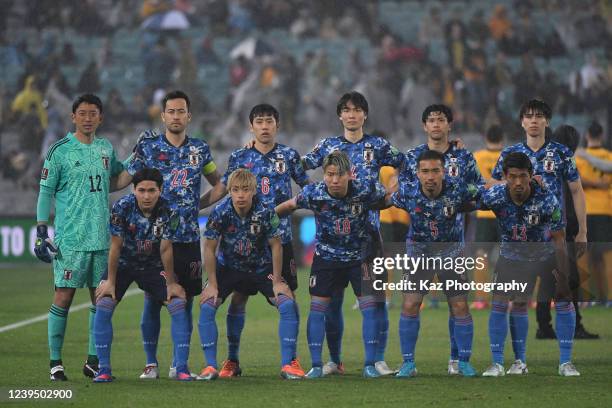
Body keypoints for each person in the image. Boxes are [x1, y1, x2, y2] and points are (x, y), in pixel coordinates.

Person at [122, 90, 225, 379]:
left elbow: (219, 185)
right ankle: (150, 363)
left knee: (186, 301)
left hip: (188, 238)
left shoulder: (200, 150)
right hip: (154, 239)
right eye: (171, 111)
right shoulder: (149, 147)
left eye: (181, 111)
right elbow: (127, 177)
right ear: (163, 115)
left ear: (188, 116)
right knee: (153, 299)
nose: (176, 116)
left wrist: (199, 204)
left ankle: (179, 365)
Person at [301, 91, 405, 376]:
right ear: (340, 116)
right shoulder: (328, 146)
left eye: (357, 110)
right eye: (346, 110)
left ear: (365, 115)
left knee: (376, 299)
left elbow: (406, 162)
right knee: (331, 303)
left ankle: (378, 358)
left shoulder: (378, 145)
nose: (351, 114)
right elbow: (300, 165)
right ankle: (334, 361)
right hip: (332, 239)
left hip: (369, 235)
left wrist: (395, 187)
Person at [201, 104, 310, 377]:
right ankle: (231, 361)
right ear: (251, 126)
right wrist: (194, 207)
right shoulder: (240, 156)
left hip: (278, 239)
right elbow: (224, 188)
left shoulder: (288, 155)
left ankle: (291, 360)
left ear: (277, 125)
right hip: (240, 243)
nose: (264, 126)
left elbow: (308, 187)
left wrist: (303, 204)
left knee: (287, 297)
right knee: (239, 297)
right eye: (259, 122)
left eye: (269, 121)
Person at [35, 94, 124, 381]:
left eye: (93, 113)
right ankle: (55, 363)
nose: (88, 118)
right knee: (63, 296)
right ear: (73, 117)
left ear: (100, 118)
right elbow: (45, 192)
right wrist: (40, 230)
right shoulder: (59, 151)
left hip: (101, 239)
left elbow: (117, 181)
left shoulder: (105, 148)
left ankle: (93, 360)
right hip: (71, 240)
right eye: (82, 113)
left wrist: (138, 157)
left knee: (100, 300)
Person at [276, 151, 387, 378]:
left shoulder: (366, 189)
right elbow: (289, 205)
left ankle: (369, 364)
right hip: (326, 258)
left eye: (339, 175)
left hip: (360, 256)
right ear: (324, 175)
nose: (334, 180)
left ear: (350, 174)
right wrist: (264, 218)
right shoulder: (314, 193)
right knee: (318, 309)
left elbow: (389, 198)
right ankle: (317, 365)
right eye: (329, 174)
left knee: (370, 307)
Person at [400, 104, 485, 375]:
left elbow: (479, 190)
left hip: (452, 244)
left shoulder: (463, 155)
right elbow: (399, 191)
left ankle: (459, 359)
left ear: (450, 125)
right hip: (419, 246)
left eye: (441, 120)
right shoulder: (413, 156)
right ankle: (408, 362)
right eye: (431, 120)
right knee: (411, 302)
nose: (436, 125)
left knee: (457, 302)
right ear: (424, 126)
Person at [198, 169, 303, 380]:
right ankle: (214, 366)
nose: (240, 195)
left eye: (245, 190)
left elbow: (276, 246)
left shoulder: (266, 212)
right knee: (208, 305)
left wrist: (277, 280)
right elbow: (209, 248)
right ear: (229, 191)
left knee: (287, 303)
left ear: (254, 191)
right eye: (235, 190)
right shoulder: (220, 212)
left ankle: (289, 364)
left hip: (261, 268)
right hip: (229, 268)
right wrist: (211, 283)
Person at [481, 152, 580, 377]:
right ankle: (505, 363)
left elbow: (558, 239)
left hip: (546, 255)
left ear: (531, 175)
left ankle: (566, 362)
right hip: (512, 257)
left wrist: (563, 278)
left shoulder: (547, 198)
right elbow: (467, 198)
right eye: (513, 176)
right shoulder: (495, 195)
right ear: (505, 176)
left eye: (523, 176)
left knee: (564, 299)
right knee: (506, 303)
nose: (518, 182)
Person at [386, 150, 481, 378]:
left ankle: (463, 362)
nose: (430, 176)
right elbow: (382, 200)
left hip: (451, 253)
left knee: (459, 307)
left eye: (435, 171)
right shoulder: (407, 191)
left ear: (444, 172)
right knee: (410, 305)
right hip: (419, 253)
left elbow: (486, 196)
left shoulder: (458, 189)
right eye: (425, 171)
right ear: (417, 173)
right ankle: (408, 363)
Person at [93, 168, 190, 382]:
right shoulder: (122, 207)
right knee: (104, 303)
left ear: (160, 190)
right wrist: (110, 281)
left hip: (154, 266)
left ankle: (181, 368)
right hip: (124, 264)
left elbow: (166, 249)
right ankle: (104, 370)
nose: (146, 196)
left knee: (177, 303)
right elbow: (115, 247)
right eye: (142, 190)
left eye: (152, 191)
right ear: (134, 190)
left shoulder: (170, 209)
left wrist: (171, 282)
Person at [574, 122, 611, 307]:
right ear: (602, 136)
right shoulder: (609, 156)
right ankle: (608, 298)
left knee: (584, 254)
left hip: (585, 210)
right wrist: (600, 184)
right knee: (606, 255)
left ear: (587, 135)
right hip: (606, 210)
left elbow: (576, 180)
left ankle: (585, 299)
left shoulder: (578, 158)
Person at [472, 124, 504, 310]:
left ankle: (481, 298)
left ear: (486, 138)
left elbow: (474, 184)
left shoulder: (477, 157)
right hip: (505, 213)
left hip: (484, 212)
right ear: (502, 138)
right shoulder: (508, 156)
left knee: (481, 255)